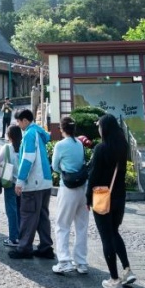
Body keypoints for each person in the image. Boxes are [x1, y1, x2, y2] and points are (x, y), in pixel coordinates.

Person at [87, 114, 134, 288]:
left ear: (104, 128)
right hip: (119, 198)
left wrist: (87, 198)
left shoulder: (101, 149)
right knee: (114, 232)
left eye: (99, 126)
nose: (98, 129)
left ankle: (114, 279)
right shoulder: (123, 147)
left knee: (106, 237)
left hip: (102, 197)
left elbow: (94, 176)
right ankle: (127, 270)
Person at [9, 108, 54, 260]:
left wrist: (20, 181)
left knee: (28, 215)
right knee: (42, 216)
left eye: (19, 121)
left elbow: (27, 159)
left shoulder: (29, 134)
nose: (18, 123)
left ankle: (24, 248)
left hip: (33, 183)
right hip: (45, 182)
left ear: (25, 121)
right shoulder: (39, 133)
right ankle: (46, 247)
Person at [51, 117, 89, 275]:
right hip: (83, 188)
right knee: (81, 226)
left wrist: (64, 171)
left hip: (68, 188)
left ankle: (64, 261)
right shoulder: (79, 144)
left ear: (62, 129)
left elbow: (54, 166)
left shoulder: (60, 145)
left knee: (62, 225)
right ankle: (81, 262)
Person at [0, 124, 22, 248]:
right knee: (20, 210)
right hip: (22, 183)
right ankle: (21, 236)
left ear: (9, 136)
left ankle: (13, 238)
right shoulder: (23, 147)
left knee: (11, 211)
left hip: (10, 182)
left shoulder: (7, 147)